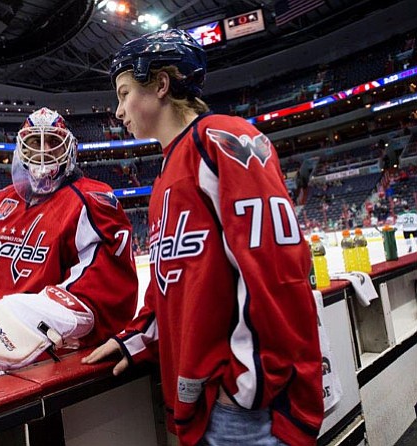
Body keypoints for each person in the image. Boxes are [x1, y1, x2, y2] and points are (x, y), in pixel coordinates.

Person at [82, 29, 324, 446]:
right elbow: (172, 285)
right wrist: (134, 341)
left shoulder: (221, 139)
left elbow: (275, 265)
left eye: (124, 93)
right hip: (209, 407)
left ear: (160, 85)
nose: (118, 110)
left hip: (246, 412)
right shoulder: (165, 173)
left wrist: (246, 386)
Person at [0, 107, 138, 375]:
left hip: (55, 359)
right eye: (35, 141)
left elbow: (103, 292)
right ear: (21, 148)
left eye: (52, 140)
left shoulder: (92, 200)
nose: (43, 149)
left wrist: (20, 317)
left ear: (68, 148)